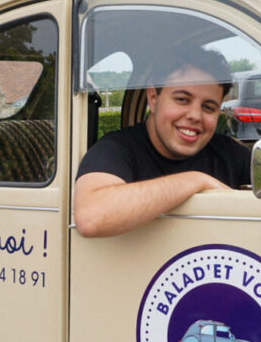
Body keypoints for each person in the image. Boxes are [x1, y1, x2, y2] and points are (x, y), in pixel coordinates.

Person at [73, 47, 251, 238]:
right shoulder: (116, 149)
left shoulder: (230, 154)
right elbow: (91, 217)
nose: (194, 115)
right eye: (182, 99)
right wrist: (196, 180)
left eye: (208, 107)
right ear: (153, 98)